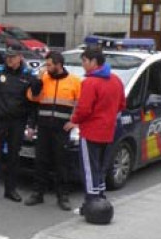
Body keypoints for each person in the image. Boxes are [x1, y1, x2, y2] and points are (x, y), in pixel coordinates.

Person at [64, 48, 125, 214]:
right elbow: (121, 105)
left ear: (93, 62)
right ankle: (100, 199)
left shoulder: (90, 83)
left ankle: (90, 205)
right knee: (101, 167)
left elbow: (84, 109)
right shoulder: (116, 80)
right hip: (109, 131)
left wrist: (73, 121)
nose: (83, 65)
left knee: (89, 169)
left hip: (91, 131)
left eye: (84, 61)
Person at [0, 48, 42, 204]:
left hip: (18, 122)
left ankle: (10, 190)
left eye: (12, 57)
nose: (9, 60)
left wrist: (31, 125)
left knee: (14, 157)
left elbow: (33, 103)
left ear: (20, 57)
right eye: (7, 57)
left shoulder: (28, 75)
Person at [24, 51, 82, 211]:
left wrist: (74, 121)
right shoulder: (43, 79)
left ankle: (62, 196)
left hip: (61, 129)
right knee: (40, 161)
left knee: (61, 163)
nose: (46, 67)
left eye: (49, 65)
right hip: (43, 127)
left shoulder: (75, 82)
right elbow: (32, 97)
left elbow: (80, 105)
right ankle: (38, 193)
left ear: (59, 65)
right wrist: (38, 79)